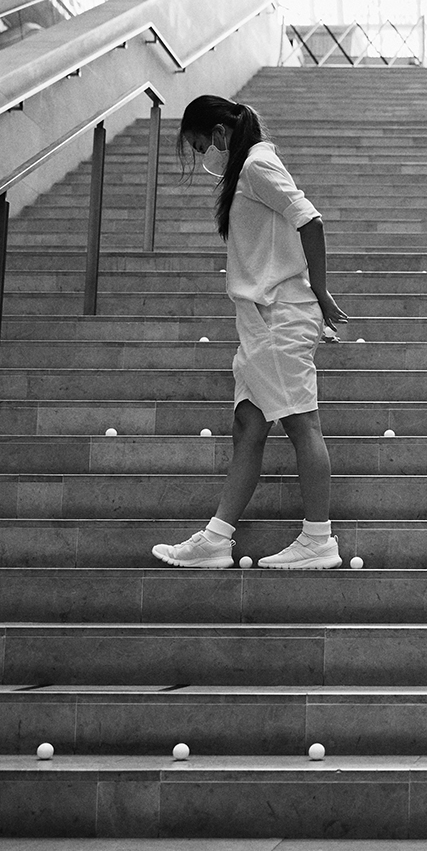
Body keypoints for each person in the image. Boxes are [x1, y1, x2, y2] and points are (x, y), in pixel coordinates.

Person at [151, 95, 352, 570]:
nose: (205, 157)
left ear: (221, 133)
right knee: (248, 424)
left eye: (203, 145)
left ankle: (319, 540)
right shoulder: (249, 168)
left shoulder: (256, 165)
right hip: (261, 318)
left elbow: (310, 217)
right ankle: (217, 539)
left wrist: (321, 292)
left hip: (278, 315)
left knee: (302, 422)